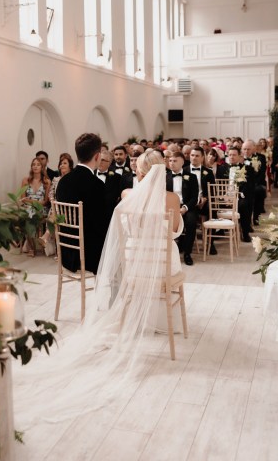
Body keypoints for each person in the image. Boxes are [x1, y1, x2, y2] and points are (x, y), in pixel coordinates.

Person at [13, 151, 186, 427]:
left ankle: (130, 315)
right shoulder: (173, 199)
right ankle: (166, 321)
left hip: (133, 264)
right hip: (163, 264)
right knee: (172, 252)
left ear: (140, 172)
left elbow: (122, 230)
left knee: (135, 260)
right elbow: (176, 232)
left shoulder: (128, 195)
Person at [56, 133, 108, 274]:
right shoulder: (96, 185)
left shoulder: (63, 182)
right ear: (97, 156)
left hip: (66, 253)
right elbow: (102, 225)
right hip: (88, 256)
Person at [166, 152, 199, 265]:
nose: (172, 163)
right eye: (170, 161)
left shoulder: (192, 177)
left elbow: (195, 197)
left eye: (175, 161)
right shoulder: (165, 177)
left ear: (182, 162)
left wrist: (185, 208)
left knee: (191, 222)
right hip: (170, 208)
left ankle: (187, 253)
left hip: (187, 207)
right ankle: (168, 253)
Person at [40, 153, 74, 256]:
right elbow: (51, 193)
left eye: (65, 163)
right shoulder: (56, 179)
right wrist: (53, 201)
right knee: (55, 212)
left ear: (70, 166)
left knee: (56, 214)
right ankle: (59, 252)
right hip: (57, 207)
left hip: (70, 209)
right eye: (61, 163)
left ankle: (45, 237)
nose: (62, 165)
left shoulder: (73, 179)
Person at [20, 158, 50, 256]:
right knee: (28, 213)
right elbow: (23, 199)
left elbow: (45, 201)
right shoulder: (25, 181)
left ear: (42, 167)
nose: (35, 166)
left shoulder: (46, 182)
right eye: (33, 164)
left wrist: (35, 203)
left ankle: (31, 246)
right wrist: (35, 202)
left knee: (30, 214)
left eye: (38, 164)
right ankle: (31, 246)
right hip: (28, 208)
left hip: (41, 209)